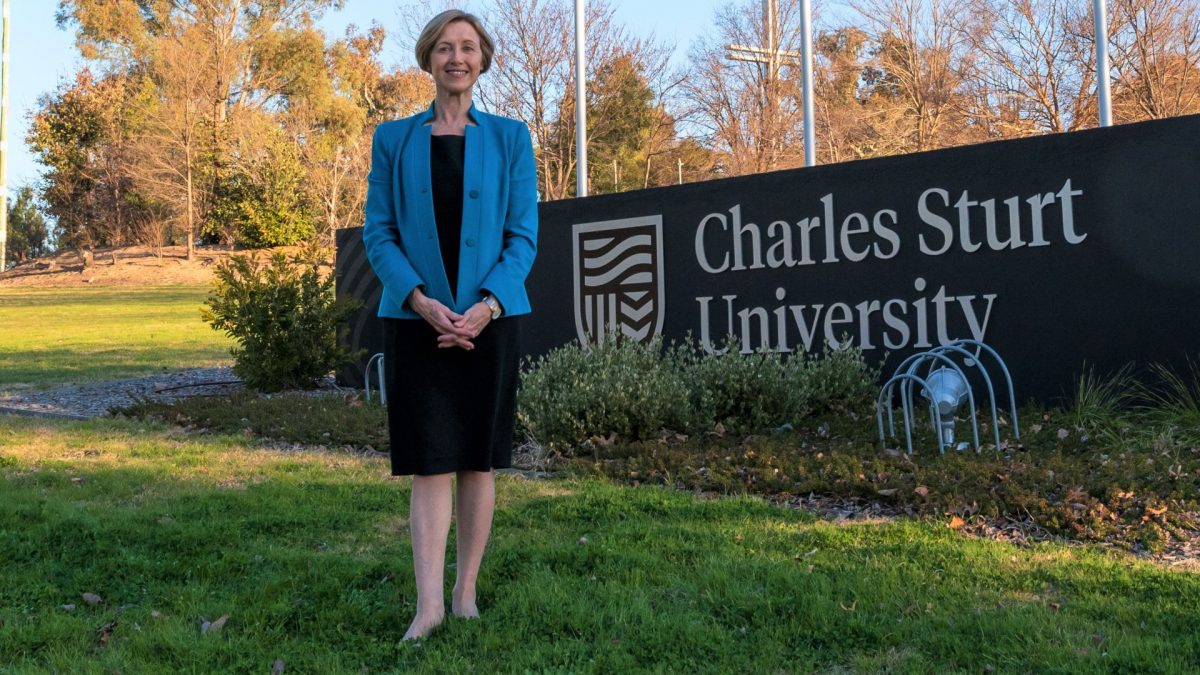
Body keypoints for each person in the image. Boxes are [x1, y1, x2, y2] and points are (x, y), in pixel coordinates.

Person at [361, 9, 538, 641]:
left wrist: (485, 307)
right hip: (416, 322)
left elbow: (523, 238)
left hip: (489, 322)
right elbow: (377, 232)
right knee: (430, 462)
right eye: (444, 48)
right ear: (428, 59)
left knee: (478, 462)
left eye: (467, 48)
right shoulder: (394, 139)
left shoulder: (512, 138)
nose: (456, 58)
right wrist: (422, 302)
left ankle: (465, 593)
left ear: (484, 59)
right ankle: (428, 605)